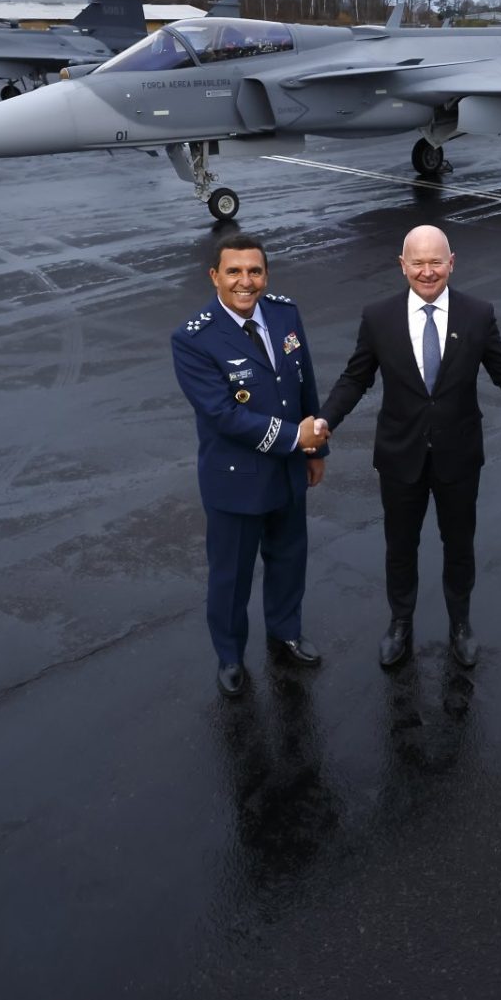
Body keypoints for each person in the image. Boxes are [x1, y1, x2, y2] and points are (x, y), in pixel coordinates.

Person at [317, 225, 501, 670]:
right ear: (402, 265)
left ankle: (460, 624)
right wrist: (325, 419)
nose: (427, 272)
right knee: (400, 545)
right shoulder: (378, 317)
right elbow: (356, 377)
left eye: (436, 262)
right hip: (400, 455)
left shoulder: (477, 313)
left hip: (458, 455)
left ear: (452, 262)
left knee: (459, 544)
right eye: (418, 262)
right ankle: (400, 623)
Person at [170, 233, 328, 697]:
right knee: (231, 576)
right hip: (235, 481)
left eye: (254, 271)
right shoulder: (193, 339)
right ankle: (230, 656)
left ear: (266, 275)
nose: (246, 281)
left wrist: (315, 450)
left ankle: (285, 632)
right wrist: (292, 438)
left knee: (289, 559)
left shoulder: (284, 312)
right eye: (234, 271)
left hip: (287, 471)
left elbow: (304, 385)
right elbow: (222, 414)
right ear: (214, 276)